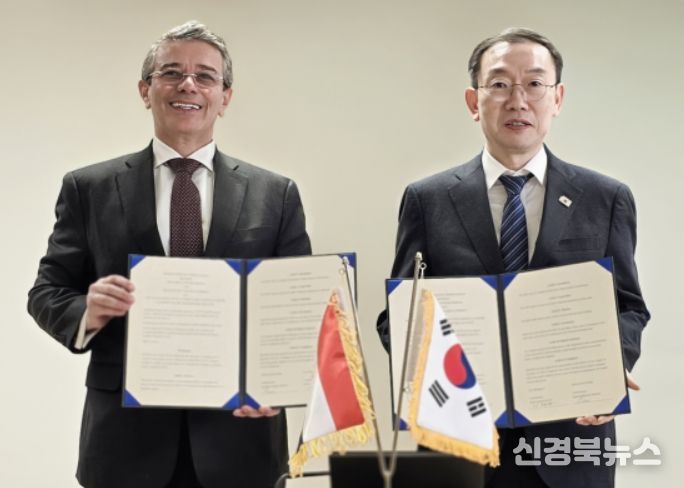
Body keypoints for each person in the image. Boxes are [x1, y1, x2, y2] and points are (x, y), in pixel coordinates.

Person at [27, 20, 310, 488]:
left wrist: (278, 384)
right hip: (123, 446)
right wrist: (87, 311)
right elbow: (47, 291)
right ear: (145, 90)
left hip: (241, 444)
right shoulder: (89, 188)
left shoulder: (275, 194)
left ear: (225, 97)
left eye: (205, 76)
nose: (188, 85)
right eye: (172, 72)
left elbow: (297, 310)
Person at [377, 28, 649, 487]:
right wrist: (431, 368)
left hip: (571, 442)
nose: (518, 100)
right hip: (460, 442)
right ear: (473, 101)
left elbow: (628, 306)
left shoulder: (605, 198)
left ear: (557, 98)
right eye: (500, 84)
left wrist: (610, 368)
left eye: (535, 84)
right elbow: (397, 317)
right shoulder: (428, 199)